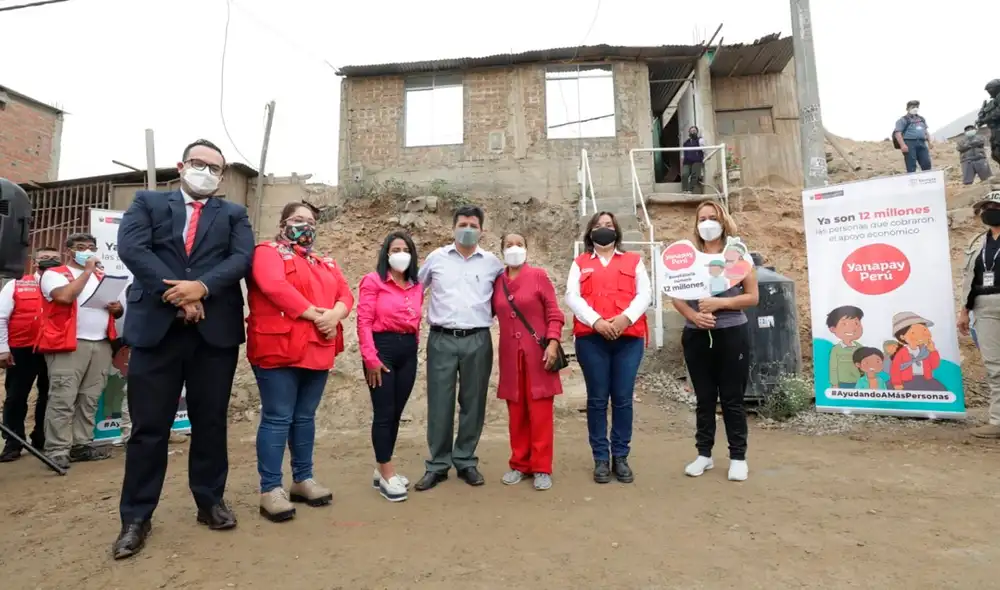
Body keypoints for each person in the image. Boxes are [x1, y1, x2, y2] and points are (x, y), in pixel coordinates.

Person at [113, 139, 254, 559]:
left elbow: (241, 258)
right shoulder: (148, 203)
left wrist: (202, 288)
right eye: (199, 163)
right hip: (157, 331)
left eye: (215, 168)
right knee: (148, 428)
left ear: (222, 176)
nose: (206, 172)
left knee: (210, 423)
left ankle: (210, 501)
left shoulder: (234, 214)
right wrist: (180, 294)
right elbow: (133, 250)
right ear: (181, 165)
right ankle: (136, 517)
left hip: (214, 333)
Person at [247, 202, 353, 521]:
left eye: (310, 222)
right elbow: (273, 286)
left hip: (317, 348)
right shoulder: (267, 253)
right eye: (297, 219)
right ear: (282, 223)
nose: (304, 226)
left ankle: (303, 479)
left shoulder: (324, 262)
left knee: (305, 417)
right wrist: (315, 315)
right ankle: (270, 489)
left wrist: (334, 315)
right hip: (277, 349)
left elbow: (345, 295)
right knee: (278, 417)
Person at [414, 205, 504, 491]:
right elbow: (415, 290)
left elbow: (504, 298)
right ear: (453, 228)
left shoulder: (492, 263)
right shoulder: (436, 258)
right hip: (441, 338)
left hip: (478, 338)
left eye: (473, 225)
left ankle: (465, 459)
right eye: (462, 224)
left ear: (482, 230)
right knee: (440, 402)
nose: (467, 230)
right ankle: (438, 464)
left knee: (473, 402)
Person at [672, 201, 758, 482]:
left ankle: (738, 457)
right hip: (696, 335)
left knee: (732, 399)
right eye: (702, 219)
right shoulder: (688, 258)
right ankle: (704, 454)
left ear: (723, 221)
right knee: (704, 398)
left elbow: (752, 296)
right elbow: (676, 296)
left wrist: (721, 304)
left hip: (732, 333)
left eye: (713, 217)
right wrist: (694, 317)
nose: (707, 223)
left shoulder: (737, 255)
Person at [565, 211, 651, 484]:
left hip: (628, 339)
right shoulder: (580, 263)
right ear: (590, 232)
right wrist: (597, 322)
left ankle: (621, 457)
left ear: (617, 231)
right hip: (592, 339)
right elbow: (572, 296)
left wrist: (625, 319)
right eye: (598, 225)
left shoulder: (633, 260)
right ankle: (601, 458)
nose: (604, 229)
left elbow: (645, 294)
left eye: (609, 225)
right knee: (597, 399)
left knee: (623, 399)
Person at [36, 233, 122, 469]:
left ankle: (81, 444)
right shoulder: (54, 274)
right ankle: (57, 449)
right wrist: (87, 271)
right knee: (62, 398)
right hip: (68, 344)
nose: (87, 251)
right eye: (81, 247)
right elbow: (64, 297)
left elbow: (116, 311)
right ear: (69, 251)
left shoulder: (101, 277)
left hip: (101, 343)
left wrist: (117, 308)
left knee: (89, 398)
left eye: (91, 247)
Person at [494, 233, 564, 491]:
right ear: (501, 250)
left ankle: (542, 467)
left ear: (527, 249)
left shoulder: (538, 276)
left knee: (540, 412)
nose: (514, 248)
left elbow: (554, 313)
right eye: (509, 245)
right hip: (510, 357)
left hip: (538, 355)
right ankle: (519, 463)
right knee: (516, 412)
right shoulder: (497, 282)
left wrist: (553, 343)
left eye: (519, 244)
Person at [357, 231, 422, 502]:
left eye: (405, 249)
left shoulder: (416, 285)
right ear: (386, 254)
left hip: (407, 350)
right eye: (395, 250)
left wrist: (413, 348)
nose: (400, 254)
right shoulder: (373, 281)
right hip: (382, 350)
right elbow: (363, 321)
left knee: (396, 412)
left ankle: (381, 467)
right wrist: (370, 358)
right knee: (384, 413)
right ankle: (387, 473)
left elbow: (416, 320)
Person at [0, 246, 59, 461]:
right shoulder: (16, 284)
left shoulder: (65, 286)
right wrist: (3, 349)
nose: (50, 261)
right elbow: (1, 316)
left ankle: (41, 437)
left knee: (49, 396)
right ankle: (13, 441)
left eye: (54, 258)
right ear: (35, 262)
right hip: (22, 349)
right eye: (45, 258)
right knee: (16, 396)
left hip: (53, 349)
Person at [958, 190, 1000, 438]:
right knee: (995, 367)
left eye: (995, 206)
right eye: (986, 208)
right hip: (984, 306)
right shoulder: (977, 243)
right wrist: (964, 310)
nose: (989, 211)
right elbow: (969, 279)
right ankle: (997, 421)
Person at [894, 100, 932, 173]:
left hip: (922, 143)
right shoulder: (903, 120)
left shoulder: (921, 119)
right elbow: (898, 133)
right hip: (909, 143)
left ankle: (927, 178)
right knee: (911, 165)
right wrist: (903, 145)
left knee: (926, 163)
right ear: (907, 108)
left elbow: (926, 131)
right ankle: (912, 179)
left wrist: (930, 142)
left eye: (917, 107)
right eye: (913, 107)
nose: (915, 109)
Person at [681, 126, 706, 194]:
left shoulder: (700, 140)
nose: (692, 132)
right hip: (687, 162)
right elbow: (684, 153)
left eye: (694, 131)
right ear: (689, 132)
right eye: (691, 131)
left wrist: (705, 157)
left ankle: (690, 190)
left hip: (697, 161)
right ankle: (684, 190)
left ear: (697, 132)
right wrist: (682, 161)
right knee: (684, 174)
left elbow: (704, 150)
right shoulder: (686, 143)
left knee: (694, 175)